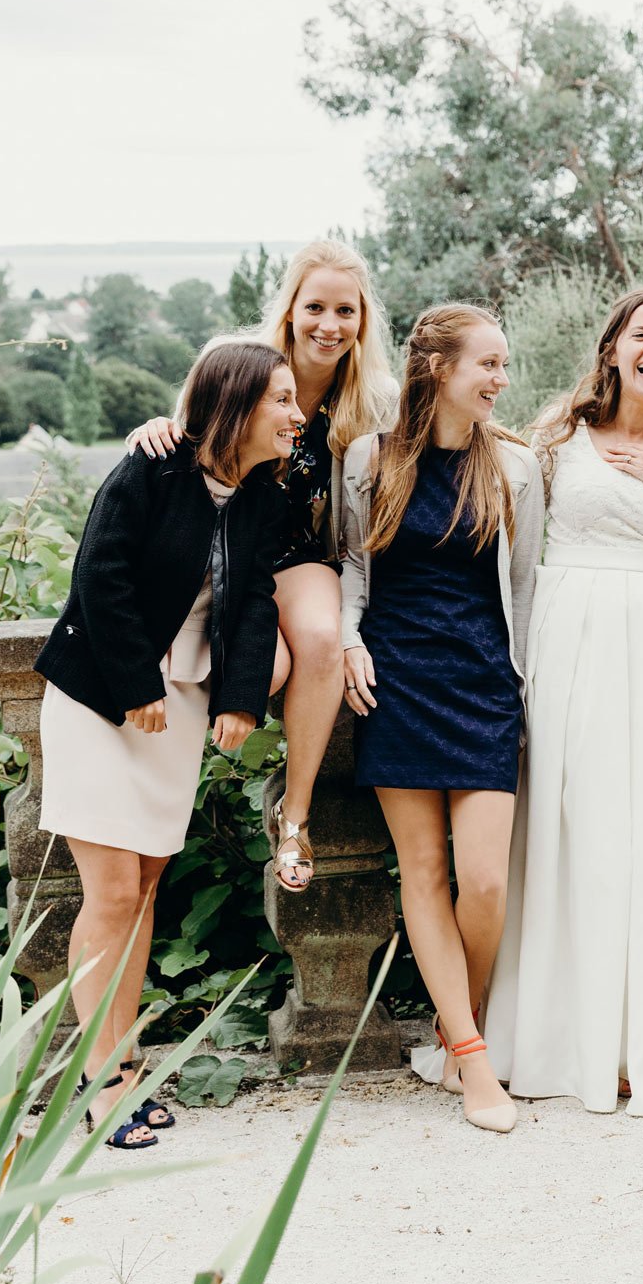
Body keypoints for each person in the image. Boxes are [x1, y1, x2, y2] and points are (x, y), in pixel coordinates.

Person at [37, 341, 297, 1148]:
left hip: (178, 713)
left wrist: (242, 700)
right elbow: (99, 577)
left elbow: (254, 602)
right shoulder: (150, 470)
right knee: (111, 894)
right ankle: (102, 1080)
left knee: (145, 890)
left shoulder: (262, 498)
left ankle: (126, 1060)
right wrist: (134, 687)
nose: (296, 415)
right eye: (282, 400)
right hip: (100, 701)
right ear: (237, 406)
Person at [486, 288, 643, 1117]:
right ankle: (564, 1038)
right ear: (613, 348)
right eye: (640, 333)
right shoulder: (557, 436)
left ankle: (637, 1042)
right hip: (567, 635)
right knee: (568, 823)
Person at [128, 240, 398, 893]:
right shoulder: (235, 364)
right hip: (227, 549)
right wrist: (149, 434)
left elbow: (403, 488)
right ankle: (161, 804)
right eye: (315, 307)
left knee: (320, 640)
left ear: (363, 319)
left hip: (305, 555)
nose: (329, 326)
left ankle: (295, 816)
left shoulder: (377, 397)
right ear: (289, 308)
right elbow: (184, 442)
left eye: (346, 311)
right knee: (267, 668)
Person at [340, 304, 543, 1135]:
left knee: (486, 882)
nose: (501, 379)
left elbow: (526, 589)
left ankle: (465, 1010)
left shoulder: (516, 468)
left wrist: (528, 693)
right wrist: (347, 636)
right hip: (396, 682)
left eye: (503, 365)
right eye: (487, 365)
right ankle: (471, 1054)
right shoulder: (370, 458)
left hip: (484, 683)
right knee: (422, 874)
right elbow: (350, 561)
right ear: (437, 370)